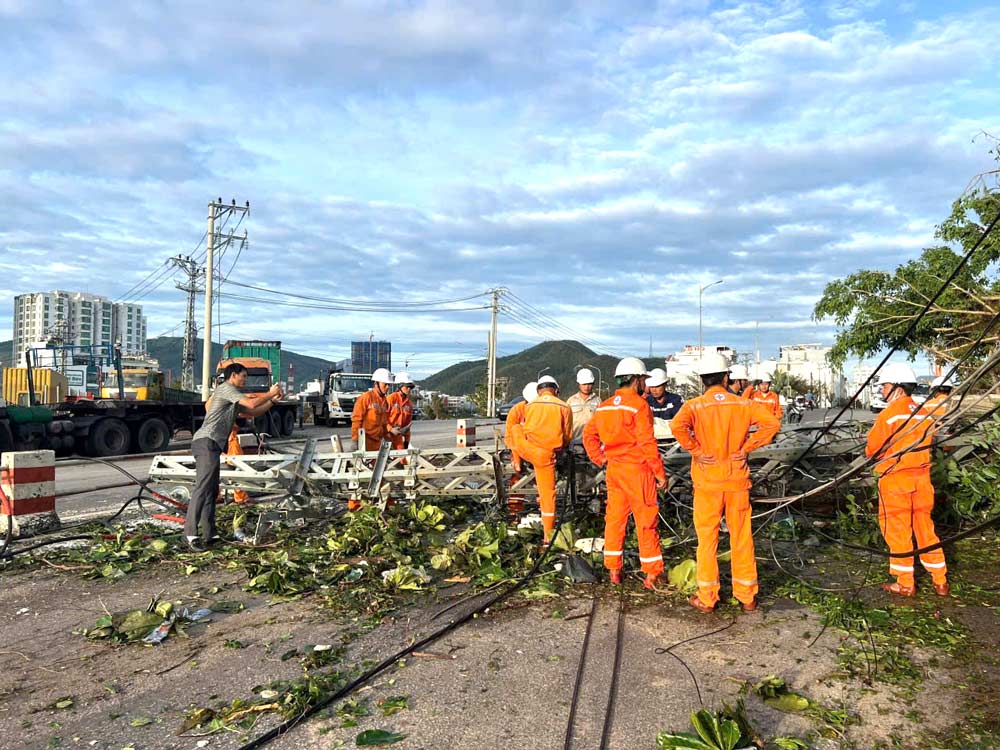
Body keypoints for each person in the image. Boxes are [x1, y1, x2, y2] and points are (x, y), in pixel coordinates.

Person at [670, 353, 781, 613]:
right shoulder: (742, 404)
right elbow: (772, 423)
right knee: (741, 537)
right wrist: (748, 447)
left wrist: (696, 450)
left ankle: (707, 598)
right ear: (726, 377)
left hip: (708, 482)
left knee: (707, 540)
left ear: (702, 380)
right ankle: (747, 597)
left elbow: (677, 427)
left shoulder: (695, 406)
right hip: (736, 481)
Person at [583, 357, 668, 588]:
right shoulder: (640, 406)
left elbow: (588, 436)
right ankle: (651, 574)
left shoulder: (605, 405)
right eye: (644, 380)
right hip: (637, 472)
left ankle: (613, 570)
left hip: (614, 471)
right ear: (638, 380)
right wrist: (660, 473)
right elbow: (647, 443)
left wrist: (600, 459)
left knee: (614, 520)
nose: (646, 385)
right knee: (646, 520)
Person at [865, 363, 948, 597]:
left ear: (897, 388)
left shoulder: (890, 414)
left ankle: (905, 583)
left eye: (885, 387)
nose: (882, 391)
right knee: (925, 529)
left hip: (896, 480)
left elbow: (872, 448)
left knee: (898, 531)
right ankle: (940, 581)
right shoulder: (923, 412)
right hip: (922, 480)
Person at [186, 363, 282, 552]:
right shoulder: (226, 389)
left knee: (211, 491)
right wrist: (271, 393)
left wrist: (272, 401)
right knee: (202, 487)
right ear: (233, 375)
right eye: (243, 376)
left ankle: (210, 534)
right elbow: (252, 403)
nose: (245, 379)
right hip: (206, 441)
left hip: (212, 444)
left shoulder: (232, 400)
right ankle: (190, 534)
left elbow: (253, 412)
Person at [508, 375, 572, 545]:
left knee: (515, 429)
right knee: (547, 496)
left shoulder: (529, 406)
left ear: (539, 391)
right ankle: (547, 536)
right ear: (556, 390)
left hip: (527, 450)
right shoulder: (564, 406)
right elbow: (567, 436)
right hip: (546, 457)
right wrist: (560, 450)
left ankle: (517, 462)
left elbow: (520, 430)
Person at [351, 368, 393, 451]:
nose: (388, 387)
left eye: (389, 384)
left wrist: (388, 438)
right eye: (385, 384)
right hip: (365, 442)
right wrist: (355, 440)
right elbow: (357, 420)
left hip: (378, 442)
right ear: (376, 383)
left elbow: (384, 424)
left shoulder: (385, 402)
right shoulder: (366, 398)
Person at [505, 381, 537, 474]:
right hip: (519, 446)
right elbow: (510, 435)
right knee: (516, 430)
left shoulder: (544, 409)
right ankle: (517, 464)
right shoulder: (516, 410)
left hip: (539, 446)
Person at [566, 368, 601, 438]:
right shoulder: (571, 401)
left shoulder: (598, 401)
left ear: (593, 384)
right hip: (574, 442)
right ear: (579, 384)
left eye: (589, 384)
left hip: (593, 441)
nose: (587, 387)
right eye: (584, 384)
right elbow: (566, 423)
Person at [387, 371, 416, 449]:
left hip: (398, 438)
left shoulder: (409, 404)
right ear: (400, 386)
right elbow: (381, 420)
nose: (409, 389)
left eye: (411, 387)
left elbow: (407, 426)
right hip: (385, 437)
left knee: (402, 460)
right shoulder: (390, 399)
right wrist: (390, 429)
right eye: (407, 386)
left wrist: (406, 441)